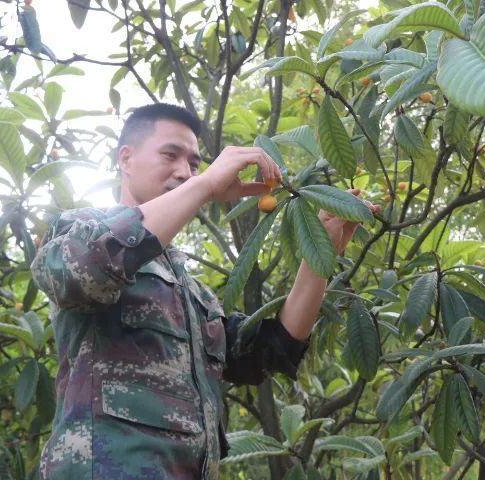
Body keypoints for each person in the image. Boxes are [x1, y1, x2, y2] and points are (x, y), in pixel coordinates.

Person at [30, 103, 376, 479]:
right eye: (170, 154)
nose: (184, 171)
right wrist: (205, 185)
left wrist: (319, 255)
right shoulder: (80, 229)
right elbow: (84, 271)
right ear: (126, 159)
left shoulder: (192, 294)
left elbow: (269, 352)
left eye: (194, 163)